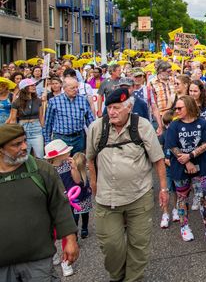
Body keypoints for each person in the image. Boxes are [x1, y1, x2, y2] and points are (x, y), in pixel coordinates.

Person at [86, 88, 167, 282]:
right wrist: (95, 187)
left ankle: (133, 279)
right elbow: (90, 159)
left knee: (138, 244)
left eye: (116, 108)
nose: (112, 112)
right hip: (107, 199)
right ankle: (118, 276)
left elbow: (158, 159)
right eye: (109, 107)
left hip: (139, 195)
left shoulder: (142, 125)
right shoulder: (98, 127)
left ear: (129, 107)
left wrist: (163, 188)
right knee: (111, 246)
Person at [0, 123, 79, 280]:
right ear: (1, 149)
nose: (24, 146)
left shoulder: (41, 170)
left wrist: (70, 240)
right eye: (16, 144)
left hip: (38, 260)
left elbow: (60, 206)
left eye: (24, 141)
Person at [165, 95, 206, 244]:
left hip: (201, 167)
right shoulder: (174, 125)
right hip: (179, 169)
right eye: (176, 108)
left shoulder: (202, 123)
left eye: (180, 108)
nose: (177, 111)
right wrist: (187, 162)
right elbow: (172, 146)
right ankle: (184, 226)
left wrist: (192, 155)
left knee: (203, 198)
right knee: (182, 199)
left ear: (189, 107)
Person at [44, 139, 79, 277]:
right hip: (52, 206)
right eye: (66, 151)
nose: (69, 152)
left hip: (67, 205)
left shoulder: (68, 165)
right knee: (50, 233)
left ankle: (66, 262)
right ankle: (51, 254)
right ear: (57, 156)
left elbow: (77, 181)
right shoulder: (47, 171)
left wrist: (75, 168)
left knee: (67, 233)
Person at [44, 77, 95, 154]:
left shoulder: (83, 100)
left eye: (77, 87)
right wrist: (47, 141)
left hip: (79, 138)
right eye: (72, 88)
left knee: (79, 163)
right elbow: (48, 123)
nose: (75, 90)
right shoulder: (54, 101)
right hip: (61, 138)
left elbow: (90, 120)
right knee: (62, 163)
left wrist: (94, 135)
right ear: (64, 88)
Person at [9, 78, 44, 159]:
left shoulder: (38, 101)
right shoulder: (16, 102)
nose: (34, 86)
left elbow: (41, 117)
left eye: (34, 85)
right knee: (23, 156)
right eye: (31, 85)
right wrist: (14, 133)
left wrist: (43, 128)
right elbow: (13, 119)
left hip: (36, 129)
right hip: (23, 129)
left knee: (40, 156)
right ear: (25, 88)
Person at [149, 61, 176, 136]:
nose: (170, 73)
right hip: (159, 116)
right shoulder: (151, 83)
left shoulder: (173, 80)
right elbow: (152, 103)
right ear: (161, 71)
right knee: (160, 138)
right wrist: (159, 123)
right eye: (168, 71)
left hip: (173, 114)